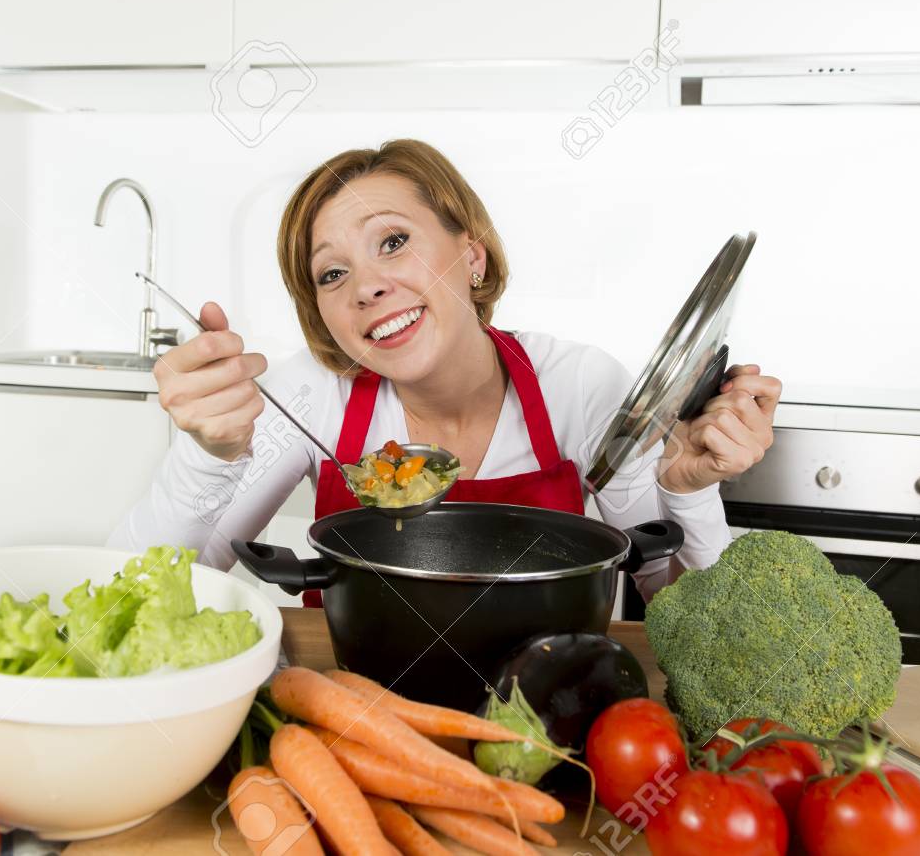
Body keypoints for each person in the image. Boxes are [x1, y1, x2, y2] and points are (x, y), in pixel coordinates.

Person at [109, 139, 781, 604]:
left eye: (393, 242)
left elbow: (680, 607)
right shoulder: (312, 393)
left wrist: (690, 495)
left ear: (473, 257)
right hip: (352, 707)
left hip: (549, 709)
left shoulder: (579, 386)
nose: (366, 287)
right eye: (332, 272)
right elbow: (136, 592)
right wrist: (206, 457)